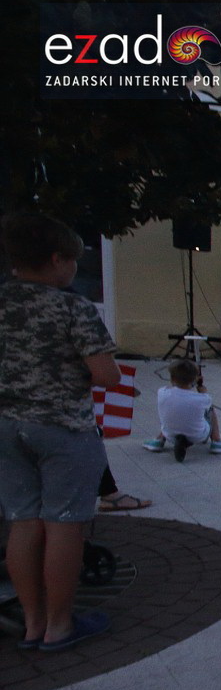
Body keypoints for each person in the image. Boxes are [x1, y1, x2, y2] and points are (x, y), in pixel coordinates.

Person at [0, 212, 119, 651]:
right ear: (56, 260)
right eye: (73, 260)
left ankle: (31, 623)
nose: (75, 269)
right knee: (64, 524)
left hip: (7, 428)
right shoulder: (71, 306)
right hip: (63, 428)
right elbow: (105, 374)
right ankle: (59, 625)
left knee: (23, 522)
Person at [143, 359, 221, 460]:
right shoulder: (203, 399)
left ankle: (159, 441)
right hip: (197, 436)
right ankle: (217, 441)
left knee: (174, 410)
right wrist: (203, 391)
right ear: (194, 379)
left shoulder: (162, 392)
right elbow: (204, 400)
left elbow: (177, 390)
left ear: (172, 378)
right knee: (210, 409)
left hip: (170, 434)